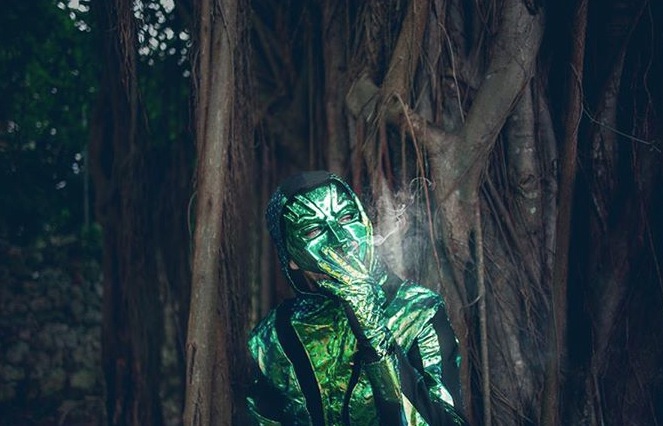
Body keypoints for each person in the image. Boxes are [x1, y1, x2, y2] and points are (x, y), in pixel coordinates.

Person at [246, 170, 468, 425]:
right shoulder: (272, 337)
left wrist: (375, 335)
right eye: (313, 231)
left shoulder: (419, 311)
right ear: (291, 258)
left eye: (347, 217)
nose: (342, 240)